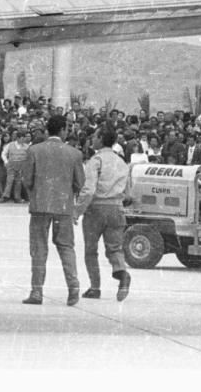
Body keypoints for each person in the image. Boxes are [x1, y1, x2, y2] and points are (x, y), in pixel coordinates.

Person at [20, 115, 85, 306]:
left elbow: (27, 180)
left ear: (48, 130)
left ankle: (37, 291)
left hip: (40, 205)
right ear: (63, 130)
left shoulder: (34, 150)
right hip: (64, 207)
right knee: (66, 247)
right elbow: (80, 182)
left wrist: (35, 193)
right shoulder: (74, 154)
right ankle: (73, 288)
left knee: (39, 249)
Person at [74, 128, 132, 301]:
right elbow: (128, 192)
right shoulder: (121, 161)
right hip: (117, 208)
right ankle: (122, 274)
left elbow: (89, 189)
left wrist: (77, 211)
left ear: (100, 138)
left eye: (95, 136)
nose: (93, 139)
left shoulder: (95, 160)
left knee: (91, 250)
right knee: (115, 248)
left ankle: (95, 286)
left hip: (96, 209)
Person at [0, 130, 30, 203]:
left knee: (18, 182)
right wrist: (6, 161)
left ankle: (17, 197)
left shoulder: (27, 146)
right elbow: (3, 154)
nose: (24, 140)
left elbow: (29, 156)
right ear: (18, 138)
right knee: (10, 180)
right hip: (11, 164)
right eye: (22, 138)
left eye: (24, 138)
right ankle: (5, 196)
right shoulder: (10, 145)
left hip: (21, 165)